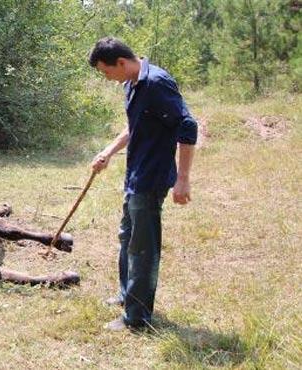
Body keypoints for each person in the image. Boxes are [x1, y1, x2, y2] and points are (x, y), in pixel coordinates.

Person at [88, 37, 197, 331]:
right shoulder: (131, 84)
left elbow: (188, 125)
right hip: (135, 174)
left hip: (152, 177)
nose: (107, 77)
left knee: (142, 247)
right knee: (127, 237)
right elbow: (133, 128)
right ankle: (127, 295)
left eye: (106, 71)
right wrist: (108, 152)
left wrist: (183, 180)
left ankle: (137, 318)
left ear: (121, 63)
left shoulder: (156, 84)